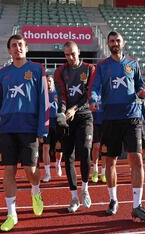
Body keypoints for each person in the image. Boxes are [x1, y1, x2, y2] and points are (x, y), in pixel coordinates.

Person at [0, 34, 49, 232]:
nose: (17, 48)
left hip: (29, 128)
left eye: (20, 45)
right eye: (13, 46)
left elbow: (43, 100)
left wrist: (43, 127)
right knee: (8, 171)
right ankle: (11, 214)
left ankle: (36, 190)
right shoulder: (2, 73)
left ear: (27, 48)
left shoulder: (37, 69)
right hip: (7, 128)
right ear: (9, 50)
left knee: (30, 171)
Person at [90, 31, 145, 222]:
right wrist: (93, 99)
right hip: (110, 119)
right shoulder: (102, 67)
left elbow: (140, 85)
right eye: (111, 41)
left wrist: (142, 92)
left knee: (137, 160)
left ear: (123, 43)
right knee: (110, 161)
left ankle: (137, 205)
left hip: (132, 117)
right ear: (108, 44)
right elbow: (95, 88)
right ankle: (113, 199)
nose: (114, 43)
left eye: (117, 41)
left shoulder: (133, 64)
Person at [54, 41, 95, 213]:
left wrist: (74, 108)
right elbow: (61, 95)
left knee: (85, 150)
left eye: (73, 53)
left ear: (79, 52)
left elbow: (89, 94)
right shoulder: (60, 71)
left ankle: (85, 189)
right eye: (66, 54)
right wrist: (63, 112)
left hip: (84, 115)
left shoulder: (90, 69)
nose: (70, 57)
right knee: (68, 157)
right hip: (68, 119)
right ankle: (74, 197)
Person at [42, 74, 63, 182]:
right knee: (46, 147)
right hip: (46, 123)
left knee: (58, 148)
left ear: (53, 82)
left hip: (57, 122)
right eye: (46, 81)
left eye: (50, 81)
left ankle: (58, 163)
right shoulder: (42, 94)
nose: (48, 83)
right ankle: (47, 173)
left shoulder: (58, 94)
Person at [90, 94, 106, 183]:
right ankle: (95, 171)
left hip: (106, 122)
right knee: (96, 147)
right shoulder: (93, 90)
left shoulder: (106, 87)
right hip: (95, 122)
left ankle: (103, 172)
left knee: (104, 148)